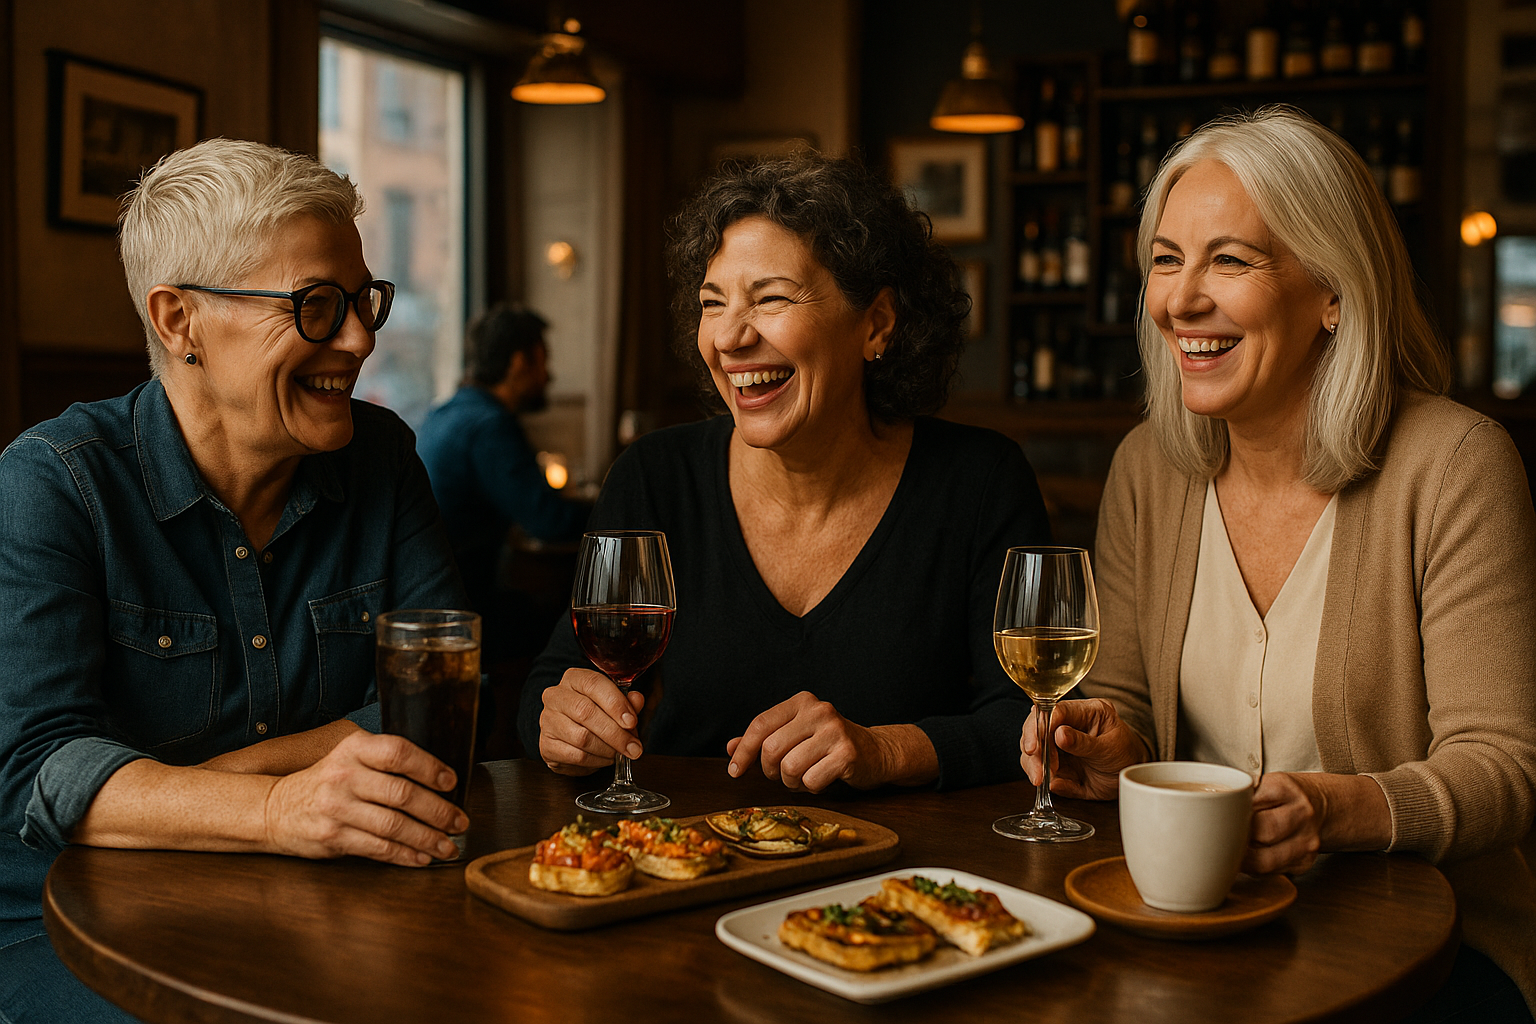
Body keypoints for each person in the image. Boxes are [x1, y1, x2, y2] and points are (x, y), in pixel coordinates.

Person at [1019, 107, 1536, 1020]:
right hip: (1197, 929)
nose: (1180, 299)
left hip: (1427, 944)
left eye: (1230, 259)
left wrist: (1339, 811)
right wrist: (1111, 745)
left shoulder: (1455, 464)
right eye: (1166, 260)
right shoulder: (1151, 465)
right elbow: (1133, 701)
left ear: (1333, 291)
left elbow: (1503, 768)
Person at [0, 139, 470, 1023]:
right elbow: (39, 770)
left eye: (363, 301)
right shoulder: (54, 484)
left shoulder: (384, 459)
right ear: (180, 322)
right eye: (316, 307)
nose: (362, 339)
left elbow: (439, 710)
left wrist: (238, 782)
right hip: (61, 925)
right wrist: (276, 810)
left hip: (312, 906)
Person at [520, 154, 1052, 793]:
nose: (729, 338)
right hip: (679, 859)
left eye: (770, 299)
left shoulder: (980, 482)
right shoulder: (655, 477)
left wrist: (883, 750)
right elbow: (553, 683)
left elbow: (1031, 716)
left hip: (905, 878)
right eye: (712, 303)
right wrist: (561, 720)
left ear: (876, 323)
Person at [416, 305, 589, 658]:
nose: (549, 376)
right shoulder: (489, 426)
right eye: (543, 361)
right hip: (463, 612)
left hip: (427, 604)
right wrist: (616, 505)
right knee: (573, 627)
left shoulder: (444, 413)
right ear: (517, 363)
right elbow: (548, 521)